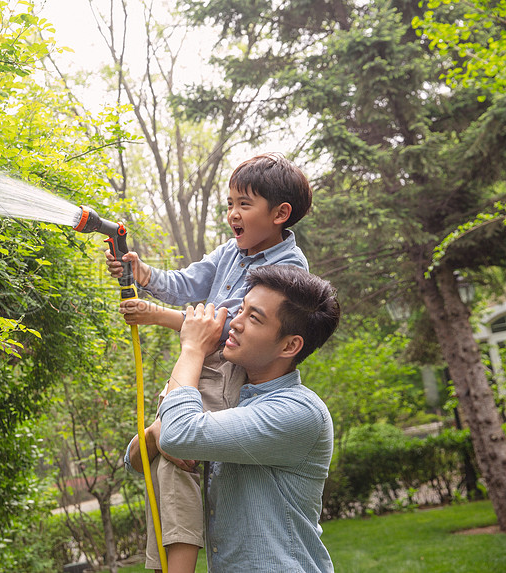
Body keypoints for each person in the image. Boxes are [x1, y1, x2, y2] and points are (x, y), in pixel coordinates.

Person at [108, 153, 313, 572]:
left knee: (176, 449)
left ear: (280, 214)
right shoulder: (231, 252)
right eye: (230, 203)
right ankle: (164, 564)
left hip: (230, 372)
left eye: (244, 204)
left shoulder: (287, 268)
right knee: (163, 460)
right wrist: (145, 274)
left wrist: (158, 316)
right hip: (200, 364)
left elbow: (234, 329)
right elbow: (189, 282)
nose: (232, 214)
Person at [129, 265, 340, 572]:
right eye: (241, 309)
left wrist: (192, 348)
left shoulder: (298, 412)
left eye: (253, 318)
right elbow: (135, 462)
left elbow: (179, 435)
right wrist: (153, 435)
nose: (234, 323)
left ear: (290, 345)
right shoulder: (231, 396)